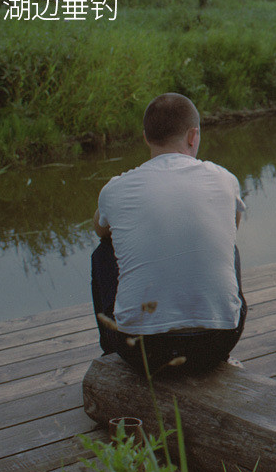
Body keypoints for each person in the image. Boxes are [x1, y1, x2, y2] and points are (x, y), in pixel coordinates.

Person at [91, 92, 247, 374]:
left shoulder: (116, 188)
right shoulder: (225, 179)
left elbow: (101, 230)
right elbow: (232, 225)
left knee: (103, 251)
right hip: (217, 343)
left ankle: (110, 352)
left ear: (146, 137)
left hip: (140, 351)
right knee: (229, 247)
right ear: (192, 136)